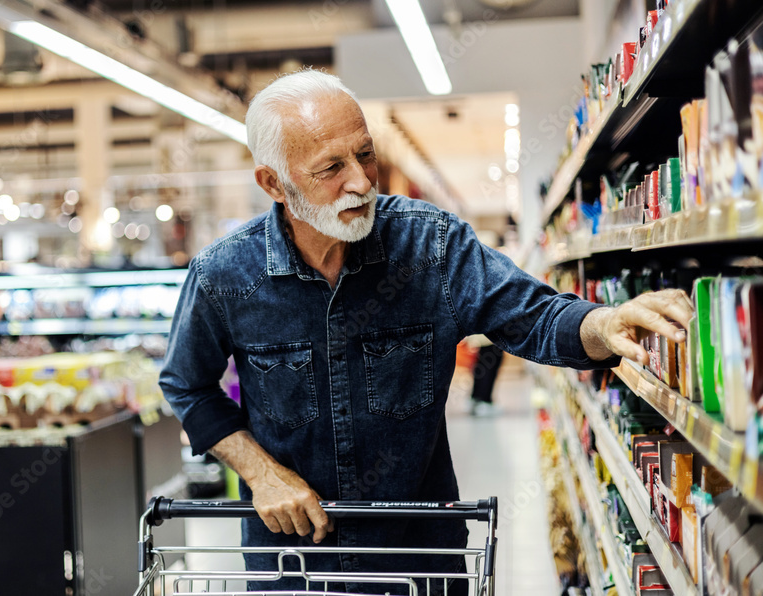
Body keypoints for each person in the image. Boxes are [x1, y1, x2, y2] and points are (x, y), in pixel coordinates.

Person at [158, 69, 692, 595]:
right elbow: (187, 384)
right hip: (292, 562)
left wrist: (602, 321)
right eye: (331, 168)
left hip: (419, 560)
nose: (361, 182)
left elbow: (536, 316)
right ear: (274, 183)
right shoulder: (224, 276)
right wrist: (261, 473)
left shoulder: (431, 247)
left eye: (365, 154)